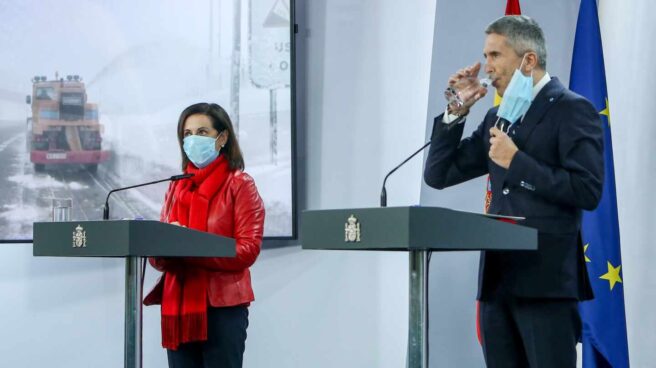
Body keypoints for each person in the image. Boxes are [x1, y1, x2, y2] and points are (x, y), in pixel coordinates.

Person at [423, 16, 604, 367]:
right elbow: (438, 174)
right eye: (486, 56)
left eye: (494, 56)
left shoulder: (572, 109)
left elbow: (587, 190)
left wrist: (517, 161)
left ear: (528, 60)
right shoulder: (497, 116)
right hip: (498, 284)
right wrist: (455, 112)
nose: (487, 68)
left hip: (546, 284)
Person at [144, 102, 265, 368]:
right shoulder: (177, 187)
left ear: (222, 138)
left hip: (222, 308)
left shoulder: (240, 184)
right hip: (178, 307)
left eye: (202, 132)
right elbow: (157, 256)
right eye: (186, 134)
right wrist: (162, 250)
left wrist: (191, 249)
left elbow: (248, 249)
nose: (192, 140)